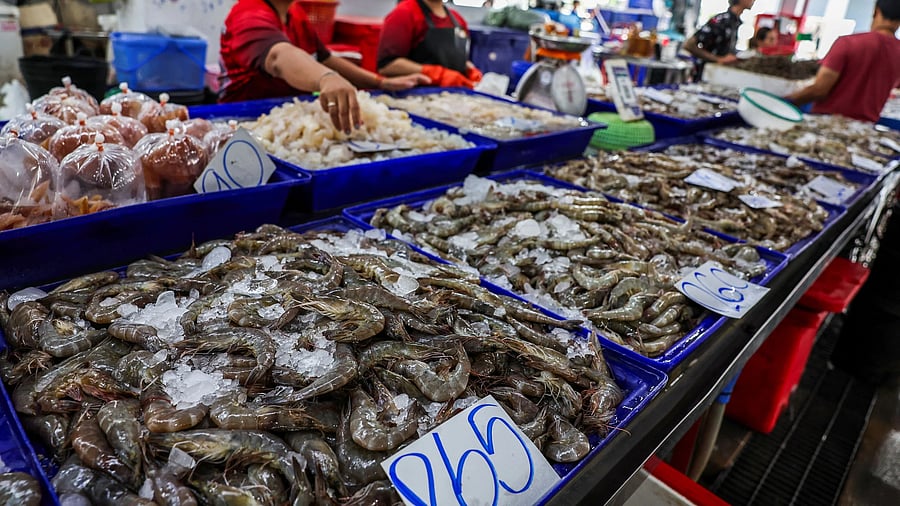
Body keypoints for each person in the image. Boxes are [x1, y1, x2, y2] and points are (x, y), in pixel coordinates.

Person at [219, 0, 429, 134]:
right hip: (244, 123)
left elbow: (324, 58)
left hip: (286, 118)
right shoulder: (248, 15)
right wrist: (326, 78)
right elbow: (278, 56)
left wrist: (380, 82)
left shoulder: (296, 14)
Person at [786, 0, 900, 123]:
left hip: (826, 124)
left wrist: (787, 101)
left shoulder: (849, 43)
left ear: (876, 11)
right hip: (864, 131)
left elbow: (819, 90)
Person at [377, 0, 483, 88]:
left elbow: (454, 56)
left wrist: (470, 69)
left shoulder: (458, 19)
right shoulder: (404, 13)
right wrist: (436, 74)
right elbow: (387, 65)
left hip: (453, 100)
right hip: (415, 98)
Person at [684, 0, 756, 65]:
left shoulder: (735, 23)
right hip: (706, 74)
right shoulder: (721, 21)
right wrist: (718, 59)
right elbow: (689, 45)